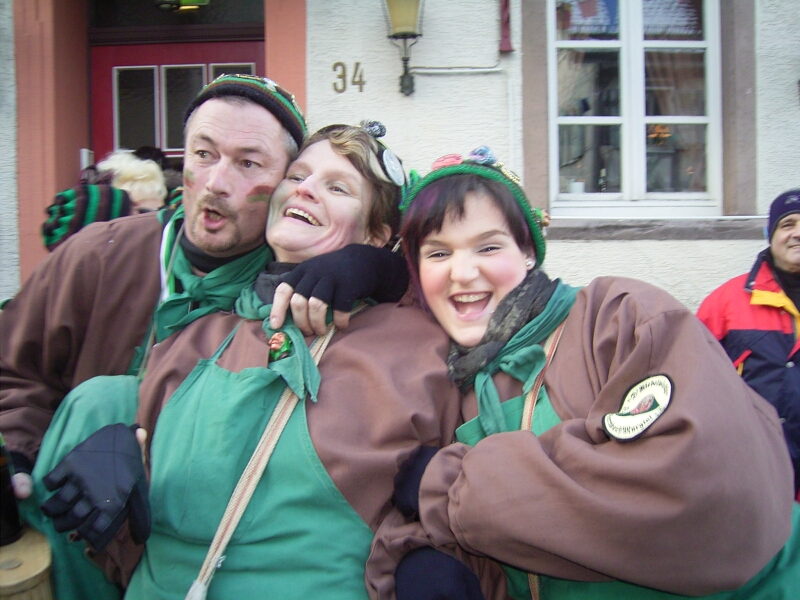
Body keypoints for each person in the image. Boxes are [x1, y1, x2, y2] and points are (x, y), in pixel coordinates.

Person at [30, 123, 506, 600]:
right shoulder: (196, 337)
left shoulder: (422, 347)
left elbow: (475, 496)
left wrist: (428, 557)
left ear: (378, 234)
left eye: (337, 188)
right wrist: (112, 471)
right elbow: (131, 544)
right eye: (297, 176)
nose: (305, 189)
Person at [367, 148, 799, 600]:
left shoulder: (617, 318)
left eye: (489, 246)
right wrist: (434, 562)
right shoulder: (451, 377)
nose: (462, 272)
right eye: (438, 253)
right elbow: (519, 541)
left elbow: (701, 495)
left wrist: (452, 488)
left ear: (528, 252)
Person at [0, 74, 407, 504]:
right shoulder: (99, 256)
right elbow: (12, 368)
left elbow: (435, 278)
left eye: (248, 163)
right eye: (203, 154)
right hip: (64, 512)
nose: (216, 182)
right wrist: (17, 454)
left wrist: (381, 267)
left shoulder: (288, 278)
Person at [698, 188, 800, 498]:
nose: (797, 233)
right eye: (788, 224)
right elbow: (692, 381)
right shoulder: (725, 303)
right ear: (770, 235)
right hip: (752, 476)